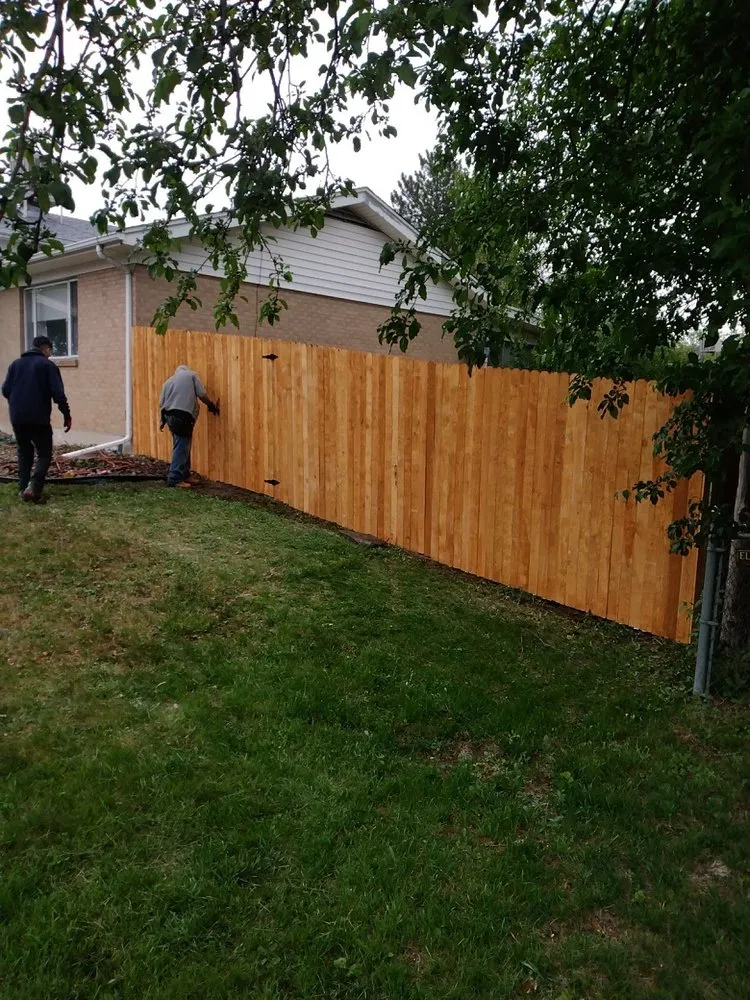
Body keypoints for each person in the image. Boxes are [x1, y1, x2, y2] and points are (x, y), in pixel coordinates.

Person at [1, 335, 72, 504]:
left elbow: (5, 390)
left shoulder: (15, 364)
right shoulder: (47, 365)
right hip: (38, 417)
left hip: (17, 417)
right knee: (44, 453)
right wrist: (66, 415)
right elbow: (58, 394)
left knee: (24, 453)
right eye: (50, 350)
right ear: (45, 348)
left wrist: (17, 403)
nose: (50, 353)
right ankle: (33, 489)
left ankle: (23, 488)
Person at [159, 364, 219, 488]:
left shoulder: (168, 382)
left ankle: (185, 475)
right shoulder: (191, 375)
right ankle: (174, 478)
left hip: (169, 417)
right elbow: (201, 393)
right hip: (182, 416)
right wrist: (211, 405)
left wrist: (163, 421)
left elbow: (161, 403)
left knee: (182, 444)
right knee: (181, 447)